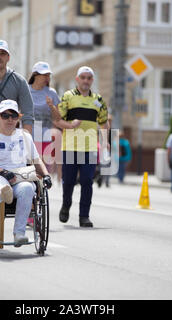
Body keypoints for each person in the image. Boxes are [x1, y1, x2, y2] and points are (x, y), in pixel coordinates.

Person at [0, 100, 52, 249]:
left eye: (14, 116)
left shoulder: (25, 136)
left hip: (19, 176)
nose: (10, 119)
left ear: (18, 118)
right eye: (5, 115)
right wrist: (3, 172)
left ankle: (19, 233)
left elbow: (37, 160)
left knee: (28, 188)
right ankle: (3, 196)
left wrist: (46, 175)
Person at [28, 61, 81, 226]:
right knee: (29, 176)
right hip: (27, 138)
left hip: (45, 140)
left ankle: (36, 211)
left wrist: (52, 107)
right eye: (44, 75)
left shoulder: (51, 92)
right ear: (35, 75)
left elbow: (57, 119)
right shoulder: (25, 91)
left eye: (48, 75)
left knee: (41, 176)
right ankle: (29, 211)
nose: (47, 77)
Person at [58, 66, 109, 228]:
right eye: (83, 77)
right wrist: (70, 124)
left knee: (87, 181)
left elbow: (103, 122)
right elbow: (58, 120)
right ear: (77, 79)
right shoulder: (68, 97)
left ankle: (84, 216)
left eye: (89, 78)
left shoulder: (98, 100)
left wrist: (106, 140)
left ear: (92, 80)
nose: (86, 81)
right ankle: (66, 206)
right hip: (70, 147)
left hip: (90, 148)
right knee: (69, 181)